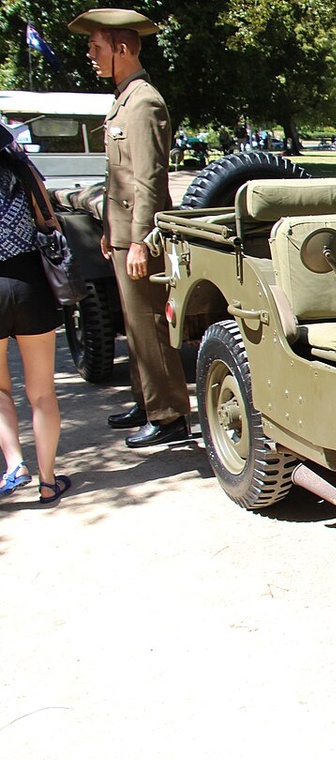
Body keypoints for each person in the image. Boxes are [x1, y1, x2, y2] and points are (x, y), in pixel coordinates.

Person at [69, 8, 190, 448]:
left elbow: (150, 179)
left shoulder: (144, 102)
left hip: (140, 237)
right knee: (134, 326)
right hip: (122, 234)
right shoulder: (123, 100)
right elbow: (117, 176)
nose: (90, 55)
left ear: (122, 49)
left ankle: (170, 414)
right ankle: (147, 402)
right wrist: (110, 229)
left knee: (150, 324)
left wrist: (139, 239)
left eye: (96, 47)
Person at [0, 124, 71, 503]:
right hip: (31, 285)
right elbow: (50, 224)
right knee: (42, 392)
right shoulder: (25, 174)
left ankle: (15, 463)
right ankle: (48, 481)